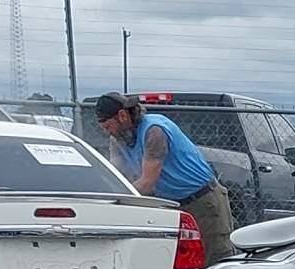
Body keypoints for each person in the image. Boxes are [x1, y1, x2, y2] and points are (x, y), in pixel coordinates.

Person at [94, 93, 233, 255]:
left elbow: (147, 183)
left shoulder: (154, 132)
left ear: (122, 116)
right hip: (173, 204)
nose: (107, 133)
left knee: (215, 260)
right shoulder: (118, 139)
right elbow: (116, 174)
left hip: (203, 202)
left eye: (108, 127)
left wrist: (116, 198)